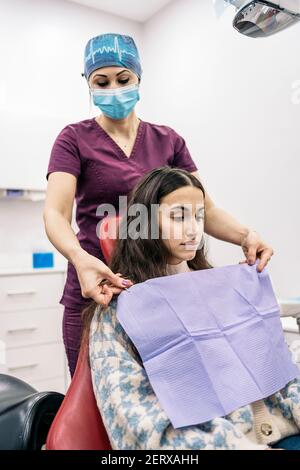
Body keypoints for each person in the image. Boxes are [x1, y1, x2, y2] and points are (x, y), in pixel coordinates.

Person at [43, 32, 274, 377]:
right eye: (101, 81)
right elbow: (55, 213)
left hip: (161, 288)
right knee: (93, 393)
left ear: (138, 78)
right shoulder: (73, 138)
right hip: (97, 285)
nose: (114, 88)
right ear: (88, 84)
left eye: (123, 79)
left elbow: (205, 209)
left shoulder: (168, 140)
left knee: (166, 389)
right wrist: (80, 259)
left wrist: (245, 235)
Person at [84, 167, 300, 450]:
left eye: (199, 216)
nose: (193, 229)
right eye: (178, 216)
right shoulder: (120, 307)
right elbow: (136, 417)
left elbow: (276, 369)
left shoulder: (222, 288)